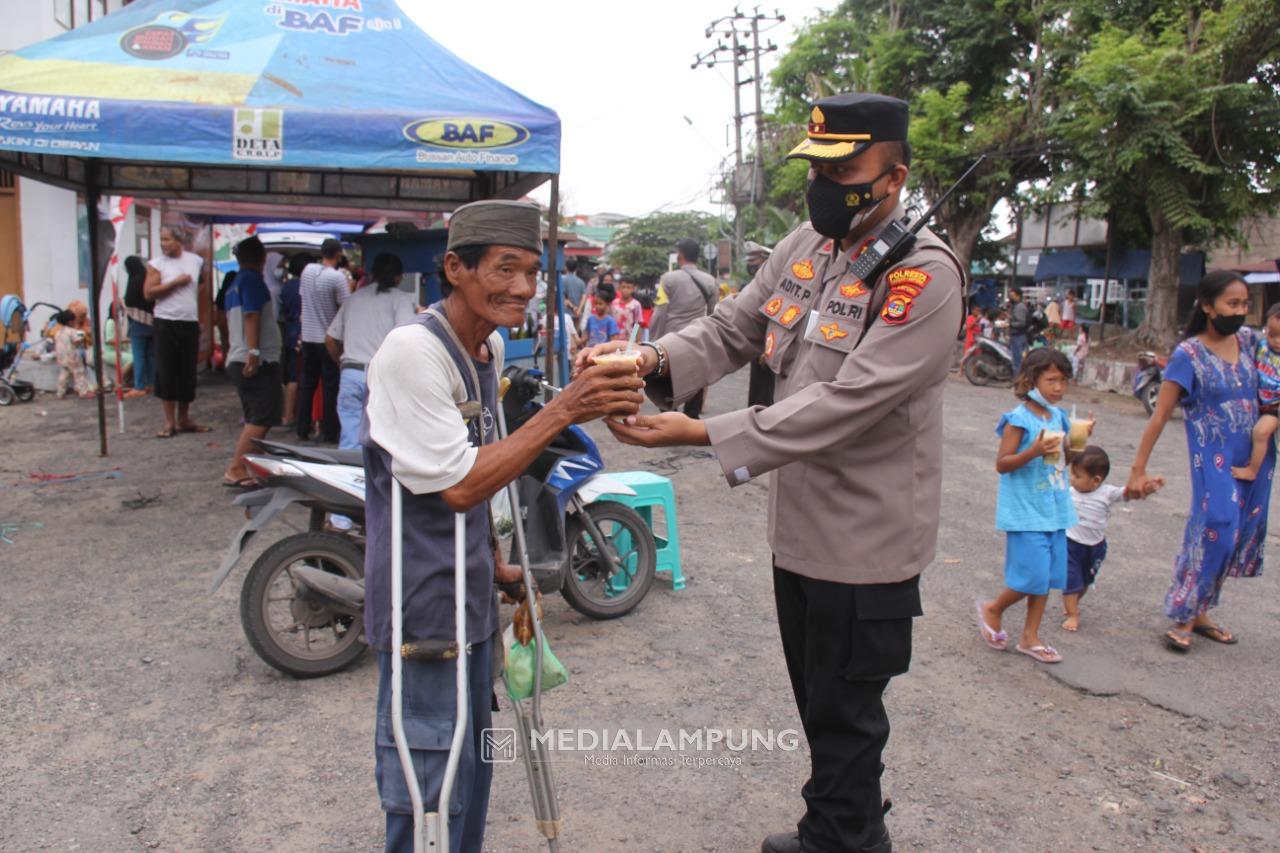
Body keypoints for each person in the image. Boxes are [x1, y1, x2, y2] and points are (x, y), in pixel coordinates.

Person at [583, 93, 964, 853]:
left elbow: (848, 401)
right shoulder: (809, 245)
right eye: (818, 166)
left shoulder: (924, 276)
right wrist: (652, 359)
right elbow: (734, 326)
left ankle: (845, 838)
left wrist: (703, 430)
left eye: (844, 167)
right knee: (821, 704)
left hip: (864, 543)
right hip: (799, 531)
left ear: (894, 175)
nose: (825, 182)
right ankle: (834, 825)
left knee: (849, 714)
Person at [360, 200, 643, 853]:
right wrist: (567, 406)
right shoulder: (412, 352)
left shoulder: (483, 346)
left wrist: (497, 561)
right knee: (427, 781)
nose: (522, 288)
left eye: (532, 273)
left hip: (470, 595)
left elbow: (477, 464)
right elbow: (458, 484)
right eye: (505, 269)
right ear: (455, 267)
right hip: (423, 611)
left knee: (468, 776)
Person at [1126, 270, 1275, 652]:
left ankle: (1202, 609)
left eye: (1245, 304)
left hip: (1258, 457)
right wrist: (1138, 468)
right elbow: (1160, 415)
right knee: (1217, 528)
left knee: (1237, 533)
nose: (1241, 311)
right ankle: (1185, 612)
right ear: (1208, 307)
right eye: (1232, 303)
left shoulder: (1251, 342)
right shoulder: (1188, 355)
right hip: (1214, 459)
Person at [977, 348, 1091, 665]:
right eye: (1051, 380)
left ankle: (1031, 637)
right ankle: (994, 609)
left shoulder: (1058, 416)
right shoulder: (1019, 420)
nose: (1058, 388)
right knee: (1032, 576)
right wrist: (1035, 450)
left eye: (1063, 381)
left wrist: (1079, 440)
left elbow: (1065, 455)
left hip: (1055, 509)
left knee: (1048, 579)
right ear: (1032, 380)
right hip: (1025, 512)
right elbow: (1003, 464)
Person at [1062, 446, 1160, 632]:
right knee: (1071, 580)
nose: (1072, 479)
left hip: (1095, 547)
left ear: (1096, 480)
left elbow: (1130, 493)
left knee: (1084, 581)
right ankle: (1072, 613)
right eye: (1072, 474)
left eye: (1077, 476)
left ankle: (1073, 602)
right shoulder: (1069, 492)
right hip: (1070, 544)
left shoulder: (1107, 493)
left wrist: (1148, 489)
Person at [325, 252, 418, 450]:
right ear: (399, 277)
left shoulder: (353, 298)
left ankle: (348, 477)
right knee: (382, 441)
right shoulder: (400, 300)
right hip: (381, 377)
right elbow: (406, 338)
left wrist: (342, 364)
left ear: (372, 274)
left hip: (350, 373)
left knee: (350, 440)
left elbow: (330, 339)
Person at [221, 236, 284, 488]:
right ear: (262, 258)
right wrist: (254, 352)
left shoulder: (234, 283)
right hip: (255, 358)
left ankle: (251, 463)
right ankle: (236, 467)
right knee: (263, 415)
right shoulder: (253, 281)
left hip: (238, 355)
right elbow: (251, 315)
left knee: (254, 415)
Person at [144, 225, 210, 438]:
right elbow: (148, 293)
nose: (164, 244)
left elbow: (202, 282)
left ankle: (184, 417)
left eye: (167, 239)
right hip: (166, 321)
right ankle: (169, 421)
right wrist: (174, 284)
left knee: (187, 371)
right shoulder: (157, 265)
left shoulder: (194, 260)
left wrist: (190, 297)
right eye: (161, 240)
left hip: (188, 321)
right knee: (167, 371)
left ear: (179, 241)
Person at [650, 238, 717, 419]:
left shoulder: (668, 279)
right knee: (695, 374)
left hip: (671, 337)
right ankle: (692, 415)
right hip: (697, 336)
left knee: (669, 374)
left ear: (679, 256)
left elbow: (660, 312)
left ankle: (668, 413)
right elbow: (713, 313)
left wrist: (654, 341)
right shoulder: (710, 281)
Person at [297, 238, 348, 443]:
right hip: (328, 338)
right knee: (330, 386)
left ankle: (302, 428)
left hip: (308, 336)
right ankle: (330, 431)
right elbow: (346, 306)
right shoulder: (338, 278)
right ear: (338, 254)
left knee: (307, 384)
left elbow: (303, 298)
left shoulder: (307, 271)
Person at [1230, 302, 1280, 481]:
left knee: (1260, 432)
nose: (1277, 340)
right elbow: (1240, 333)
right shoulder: (1261, 345)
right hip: (1255, 400)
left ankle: (1252, 470)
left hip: (1275, 407)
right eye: (1272, 334)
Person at [744, 240, 776, 408]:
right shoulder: (757, 284)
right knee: (756, 392)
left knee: (766, 394)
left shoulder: (776, 285)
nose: (751, 266)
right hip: (758, 348)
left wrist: (768, 349)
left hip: (771, 348)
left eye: (754, 262)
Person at [278, 254, 306, 429]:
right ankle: (290, 415)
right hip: (301, 334)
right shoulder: (305, 286)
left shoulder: (286, 286)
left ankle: (288, 414)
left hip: (289, 332)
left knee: (290, 376)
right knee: (298, 377)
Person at [122, 255, 156, 398]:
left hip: (138, 322)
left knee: (139, 355)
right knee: (151, 355)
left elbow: (129, 301)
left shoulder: (134, 280)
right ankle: (152, 383)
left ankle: (139, 386)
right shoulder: (148, 278)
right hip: (153, 322)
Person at [51, 309, 94, 398]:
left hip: (61, 356)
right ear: (71, 322)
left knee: (64, 374)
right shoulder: (72, 331)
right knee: (79, 373)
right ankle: (83, 391)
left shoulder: (58, 332)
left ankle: (60, 392)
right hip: (72, 356)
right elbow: (79, 338)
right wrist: (83, 332)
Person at [578, 283, 622, 348]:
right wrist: (577, 343)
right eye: (596, 303)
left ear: (607, 304)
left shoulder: (610, 321)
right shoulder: (591, 319)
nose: (597, 306)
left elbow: (614, 341)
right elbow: (586, 335)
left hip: (605, 355)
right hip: (591, 352)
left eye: (600, 304)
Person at [611, 274, 643, 340]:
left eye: (628, 287)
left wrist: (637, 341)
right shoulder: (614, 303)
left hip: (629, 340)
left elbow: (637, 325)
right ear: (619, 288)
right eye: (623, 287)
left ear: (633, 289)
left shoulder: (636, 305)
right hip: (614, 339)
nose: (625, 290)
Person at [1008, 287, 1029, 374]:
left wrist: (1010, 324)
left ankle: (1017, 380)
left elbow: (1021, 323)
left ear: (1018, 296)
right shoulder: (1017, 306)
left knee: (1018, 360)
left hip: (1018, 337)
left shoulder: (1020, 307)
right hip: (1017, 336)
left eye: (1012, 296)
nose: (1011, 298)